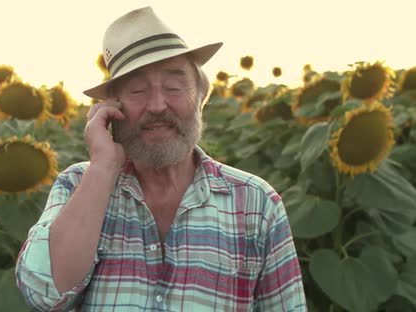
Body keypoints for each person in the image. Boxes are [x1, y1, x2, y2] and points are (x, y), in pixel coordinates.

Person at [16, 6, 307, 311]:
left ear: (200, 97)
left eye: (174, 87)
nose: (156, 105)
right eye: (137, 90)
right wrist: (103, 167)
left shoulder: (256, 204)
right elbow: (44, 295)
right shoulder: (78, 185)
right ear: (113, 107)